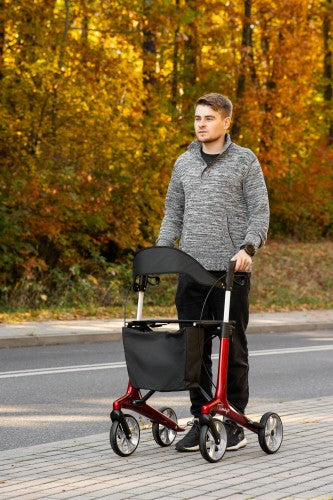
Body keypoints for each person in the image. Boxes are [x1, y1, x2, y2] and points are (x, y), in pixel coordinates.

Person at [156, 93, 269, 452]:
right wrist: (161, 250)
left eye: (208, 118)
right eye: (196, 118)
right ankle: (203, 416)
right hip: (191, 269)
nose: (200, 123)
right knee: (193, 347)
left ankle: (233, 419)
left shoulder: (244, 161)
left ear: (226, 123)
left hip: (230, 270)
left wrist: (248, 248)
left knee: (232, 345)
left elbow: (260, 213)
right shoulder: (184, 163)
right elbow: (173, 213)